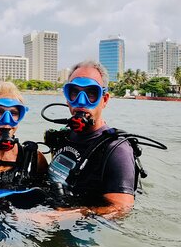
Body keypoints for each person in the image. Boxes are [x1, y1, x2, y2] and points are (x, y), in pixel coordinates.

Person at [45, 60, 136, 217]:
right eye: (74, 92)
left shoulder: (116, 149)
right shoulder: (63, 136)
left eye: (91, 94)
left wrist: (58, 217)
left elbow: (122, 210)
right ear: (67, 98)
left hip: (83, 232)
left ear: (104, 99)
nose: (81, 102)